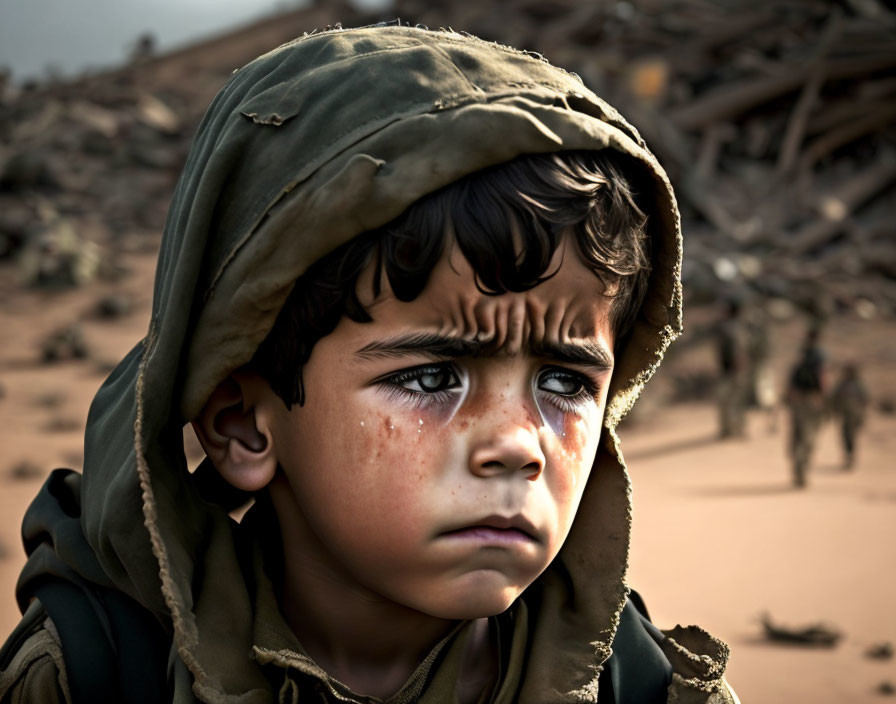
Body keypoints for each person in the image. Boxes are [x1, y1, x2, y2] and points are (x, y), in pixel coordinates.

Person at [0, 24, 738, 703]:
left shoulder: (644, 689)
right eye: (430, 377)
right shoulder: (92, 677)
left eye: (564, 381)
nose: (518, 444)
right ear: (244, 427)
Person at [785, 326, 827, 488]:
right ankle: (801, 469)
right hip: (811, 399)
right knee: (807, 436)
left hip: (797, 399)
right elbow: (822, 377)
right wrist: (823, 397)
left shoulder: (802, 353)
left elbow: (792, 377)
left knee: (798, 434)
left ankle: (798, 469)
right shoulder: (818, 355)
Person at [714, 297, 748, 438]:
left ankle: (733, 429)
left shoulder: (731, 329)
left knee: (730, 401)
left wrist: (737, 369)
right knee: (733, 400)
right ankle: (734, 429)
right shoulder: (736, 328)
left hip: (732, 371)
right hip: (731, 370)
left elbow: (737, 351)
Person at [829, 363, 870, 470]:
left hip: (855, 415)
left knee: (851, 436)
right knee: (845, 436)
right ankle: (848, 456)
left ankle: (851, 456)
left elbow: (865, 399)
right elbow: (834, 398)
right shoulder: (842, 384)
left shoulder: (858, 385)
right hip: (845, 416)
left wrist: (862, 414)